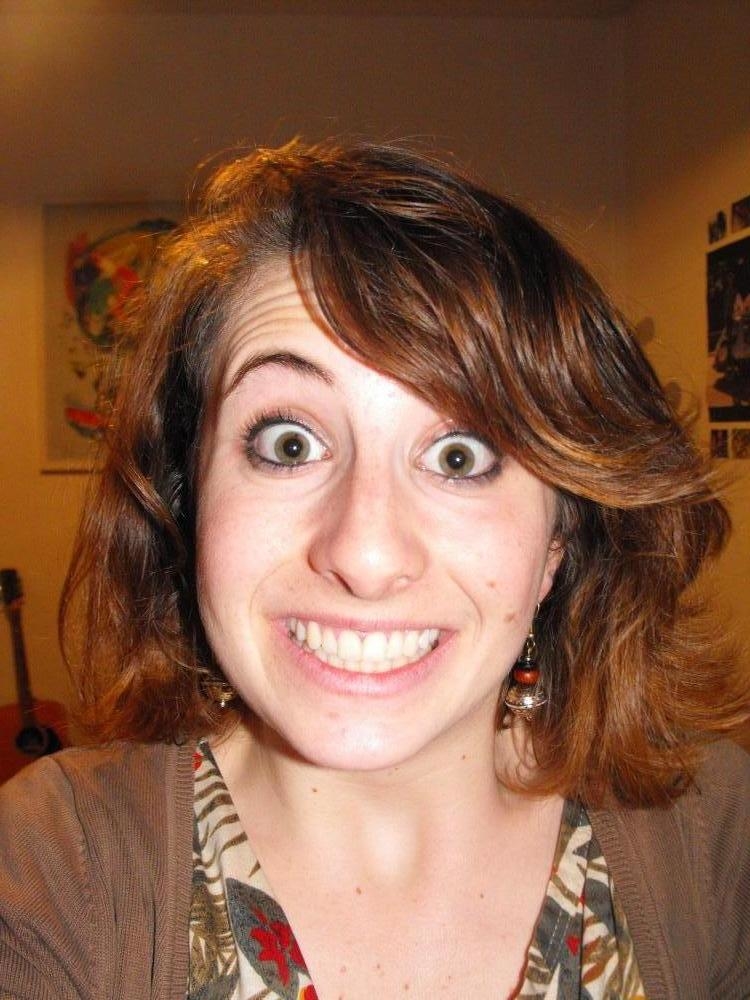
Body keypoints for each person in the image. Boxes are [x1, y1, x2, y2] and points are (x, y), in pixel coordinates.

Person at [1, 139, 748, 1000]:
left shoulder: (715, 835)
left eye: (461, 457)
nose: (364, 554)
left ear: (559, 539)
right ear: (188, 493)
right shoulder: (55, 871)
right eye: (289, 443)